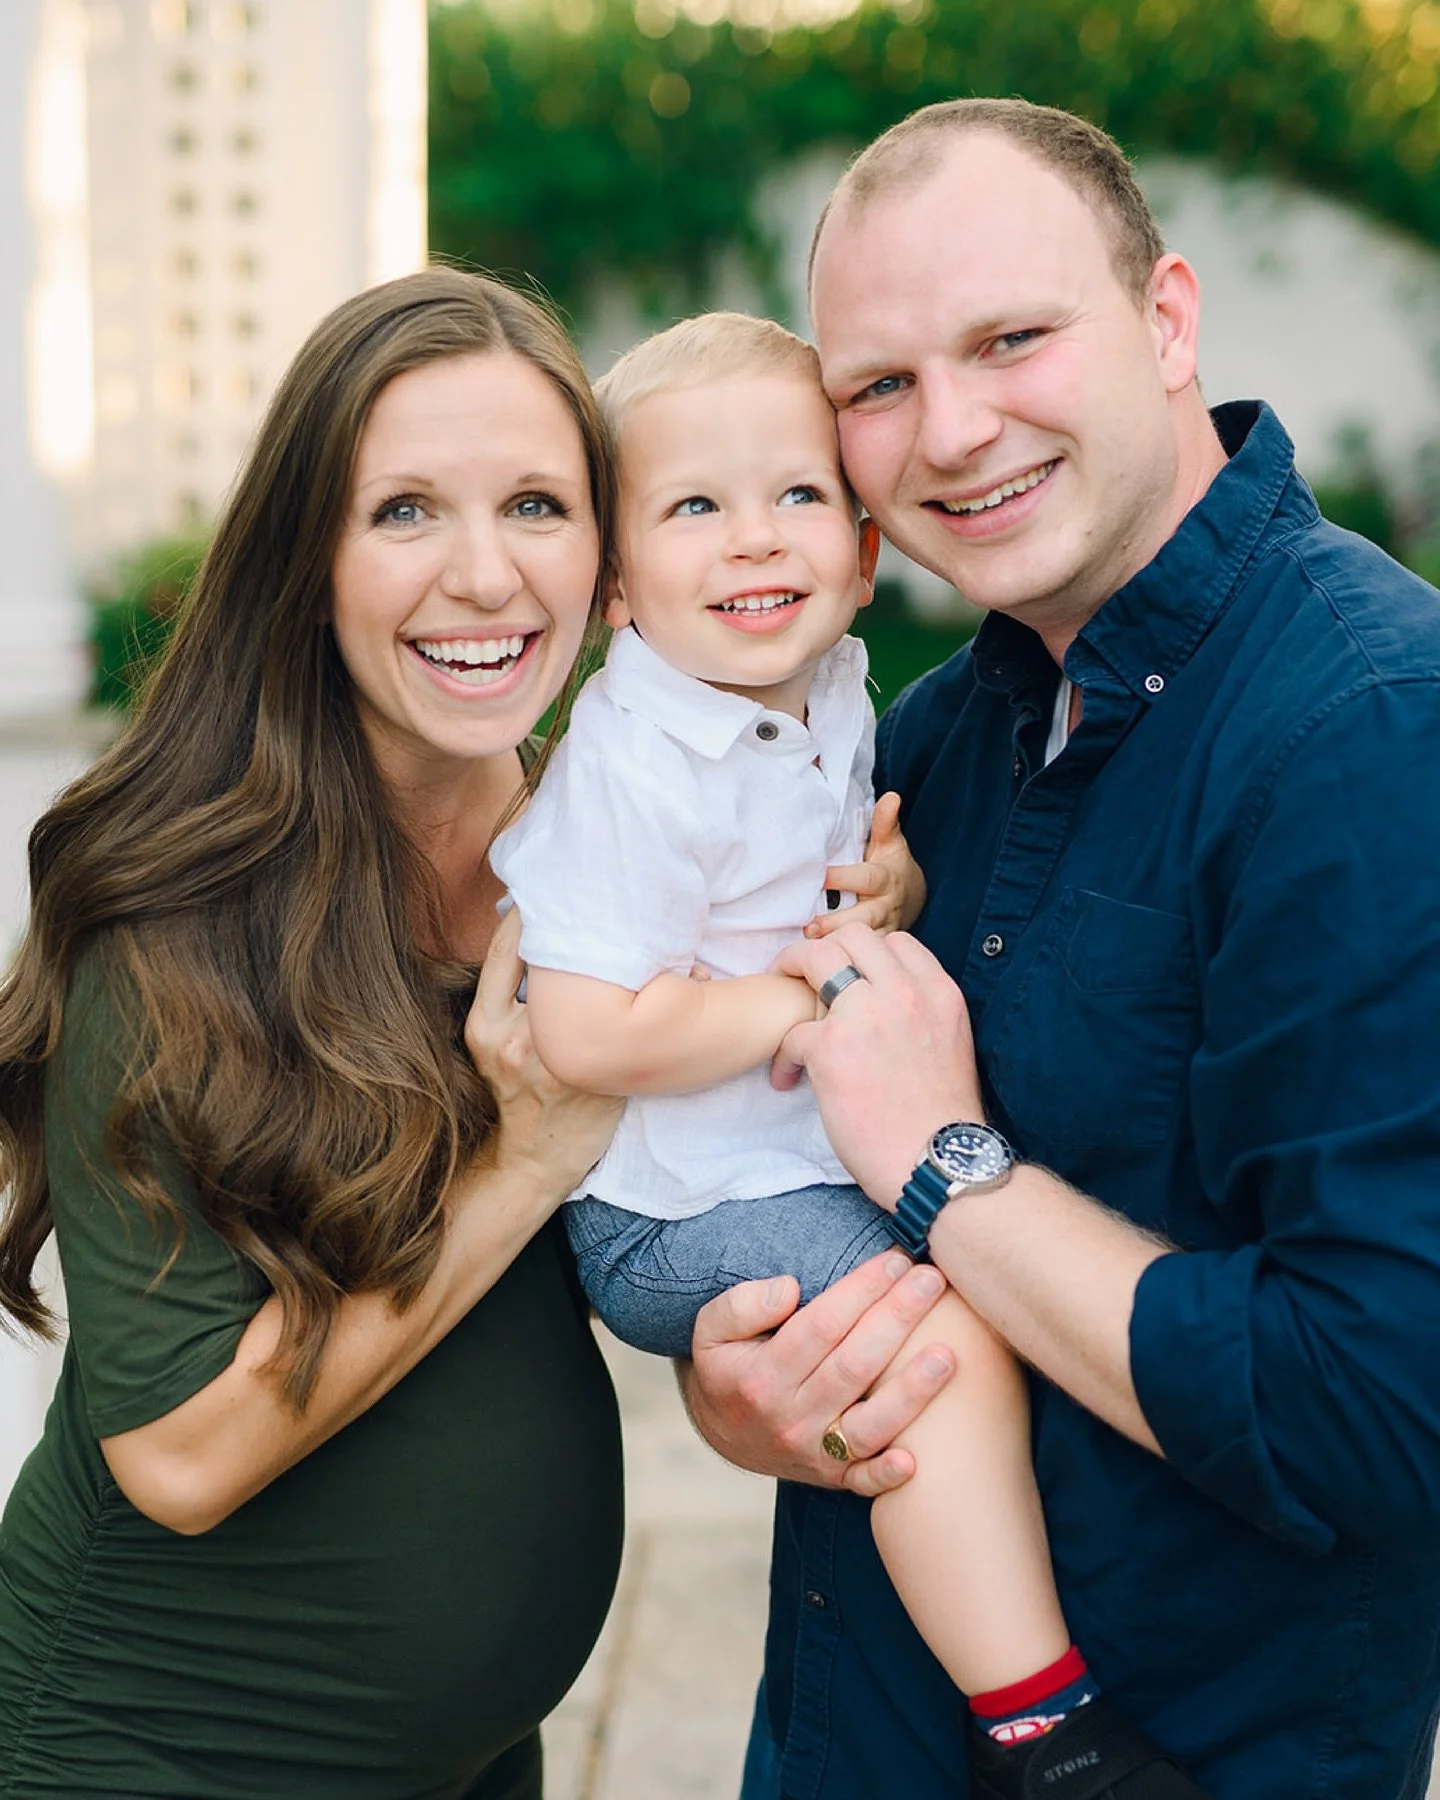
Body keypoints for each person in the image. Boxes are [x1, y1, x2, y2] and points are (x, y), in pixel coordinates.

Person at [681, 98, 1440, 1800]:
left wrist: (948, 1166)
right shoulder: (934, 739)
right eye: (879, 385)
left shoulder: (1376, 731)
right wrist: (751, 1392)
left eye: (1011, 340)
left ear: (1166, 320)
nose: (950, 431)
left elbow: (1388, 1412)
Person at [491, 310, 1202, 1796]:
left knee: (1001, 1278)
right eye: (696, 507)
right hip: (668, 1204)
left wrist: (885, 899)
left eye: (800, 497)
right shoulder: (632, 767)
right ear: (618, 584)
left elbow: (828, 881)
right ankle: (1044, 1730)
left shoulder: (818, 688)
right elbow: (583, 1028)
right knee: (940, 1340)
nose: (756, 542)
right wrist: (802, 1007)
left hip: (773, 1152)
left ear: (866, 550)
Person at [0, 266, 627, 1799]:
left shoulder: (608, 861)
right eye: (405, 510)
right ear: (307, 560)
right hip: (156, 1748)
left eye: (538, 504)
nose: (485, 574)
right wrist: (519, 1165)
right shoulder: (167, 917)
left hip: (473, 1760)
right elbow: (181, 1461)